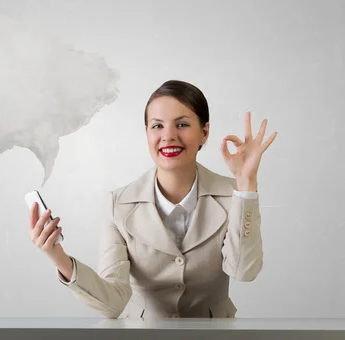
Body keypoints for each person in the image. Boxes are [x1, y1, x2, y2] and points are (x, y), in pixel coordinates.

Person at [28, 80, 277, 319]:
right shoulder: (118, 204)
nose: (168, 136)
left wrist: (246, 184)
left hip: (213, 335)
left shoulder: (234, 195)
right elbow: (113, 302)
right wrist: (58, 256)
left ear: (204, 132)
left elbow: (244, 271)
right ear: (146, 133)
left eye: (181, 125)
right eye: (157, 126)